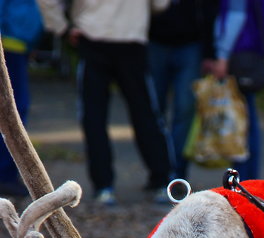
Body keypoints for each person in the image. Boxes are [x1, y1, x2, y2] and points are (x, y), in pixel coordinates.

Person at [36, 0, 173, 205]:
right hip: (130, 37)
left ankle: (103, 186)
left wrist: (61, 27)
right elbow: (160, 4)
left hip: (93, 35)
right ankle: (162, 181)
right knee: (145, 114)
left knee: (94, 117)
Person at [148, 0, 217, 182]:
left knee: (185, 110)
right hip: (154, 42)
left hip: (191, 44)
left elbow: (210, 8)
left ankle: (177, 171)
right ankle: (158, 169)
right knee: (154, 110)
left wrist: (210, 53)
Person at [210, 0, 264, 181]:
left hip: (239, 56)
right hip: (252, 54)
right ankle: (248, 177)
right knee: (247, 118)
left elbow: (236, 16)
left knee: (242, 120)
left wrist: (222, 55)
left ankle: (243, 178)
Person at [0, 0, 43, 197]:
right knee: (12, 111)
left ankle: (7, 174)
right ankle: (5, 174)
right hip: (8, 40)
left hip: (17, 41)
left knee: (14, 109)